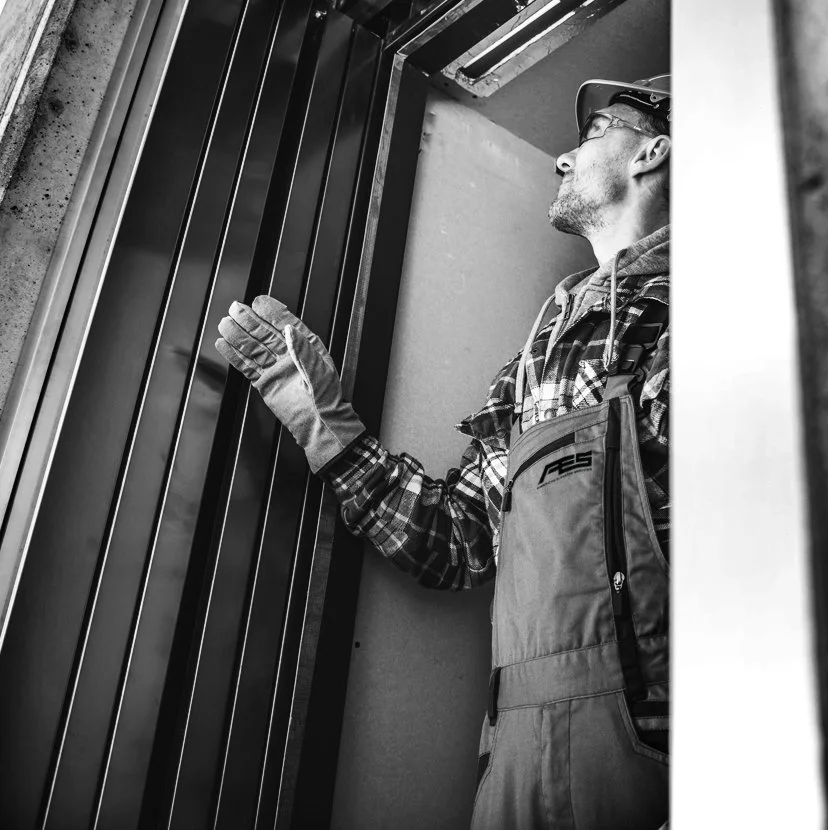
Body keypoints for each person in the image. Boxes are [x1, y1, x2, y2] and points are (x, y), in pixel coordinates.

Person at [215, 74, 672, 829]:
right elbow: (455, 541)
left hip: (664, 750)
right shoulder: (541, 352)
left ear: (654, 151)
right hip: (514, 759)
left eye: (593, 134)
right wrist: (319, 418)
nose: (562, 159)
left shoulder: (709, 304)